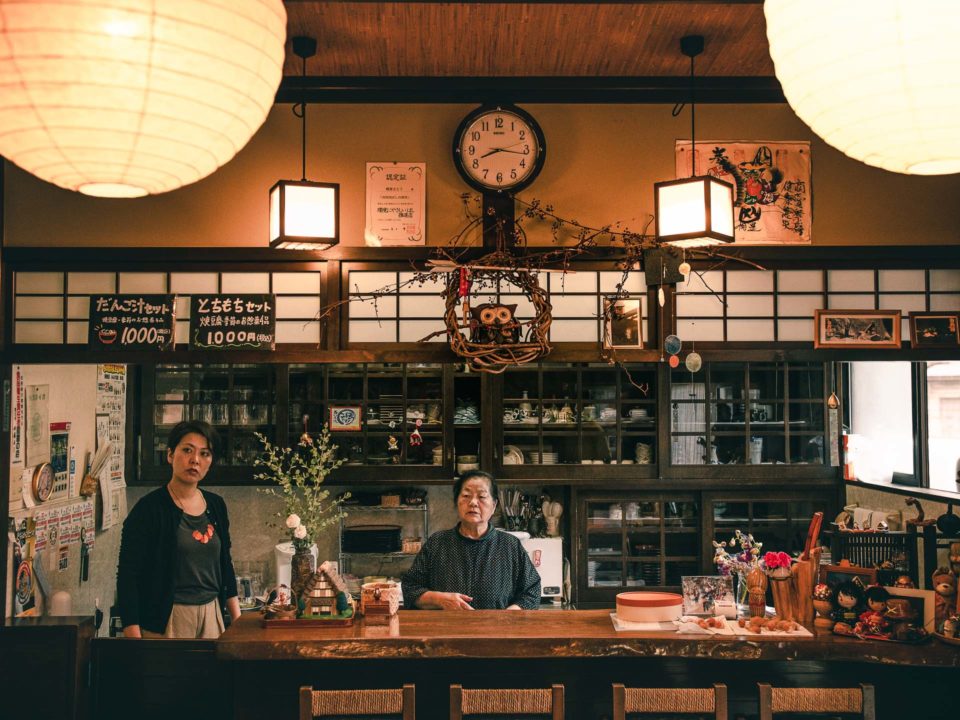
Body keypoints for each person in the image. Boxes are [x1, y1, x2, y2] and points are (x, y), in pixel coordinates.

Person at [117, 421, 240, 638]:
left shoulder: (216, 505)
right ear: (170, 455)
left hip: (212, 613)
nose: (195, 460)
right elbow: (128, 575)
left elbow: (225, 564)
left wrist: (238, 621)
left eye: (204, 454)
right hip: (168, 617)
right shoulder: (149, 509)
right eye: (187, 450)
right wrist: (133, 637)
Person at [401, 470, 541, 610]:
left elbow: (532, 591)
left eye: (482, 496)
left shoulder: (510, 545)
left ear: (494, 505)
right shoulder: (437, 543)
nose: (473, 502)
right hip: (447, 624)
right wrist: (439, 599)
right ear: (457, 502)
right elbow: (410, 588)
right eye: (466, 496)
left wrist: (508, 615)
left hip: (497, 624)